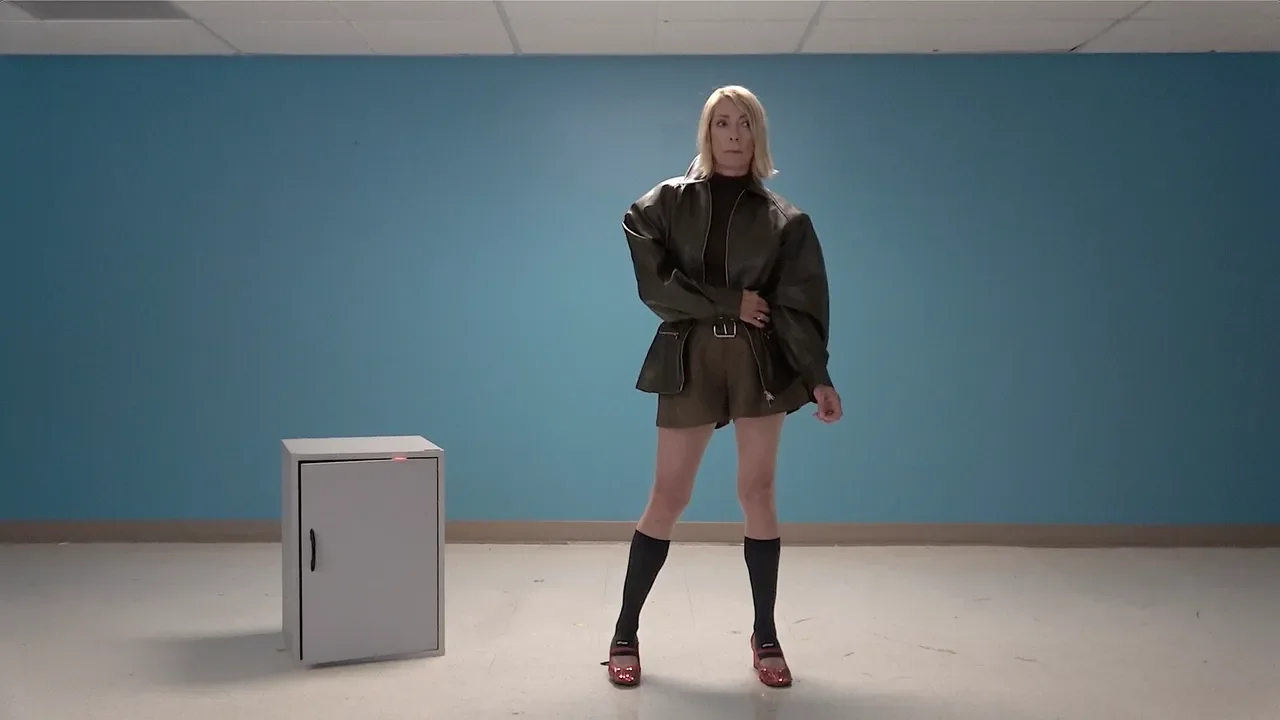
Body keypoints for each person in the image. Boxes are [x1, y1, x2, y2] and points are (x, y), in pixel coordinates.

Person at [607, 85, 843, 689]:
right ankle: (625, 631)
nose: (733, 135)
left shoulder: (786, 220)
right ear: (706, 132)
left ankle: (766, 634)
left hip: (759, 363)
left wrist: (817, 377)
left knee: (757, 492)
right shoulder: (665, 204)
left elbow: (800, 307)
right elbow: (655, 284)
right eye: (722, 123)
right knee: (669, 495)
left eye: (744, 123)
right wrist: (729, 301)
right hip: (689, 356)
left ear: (758, 134)